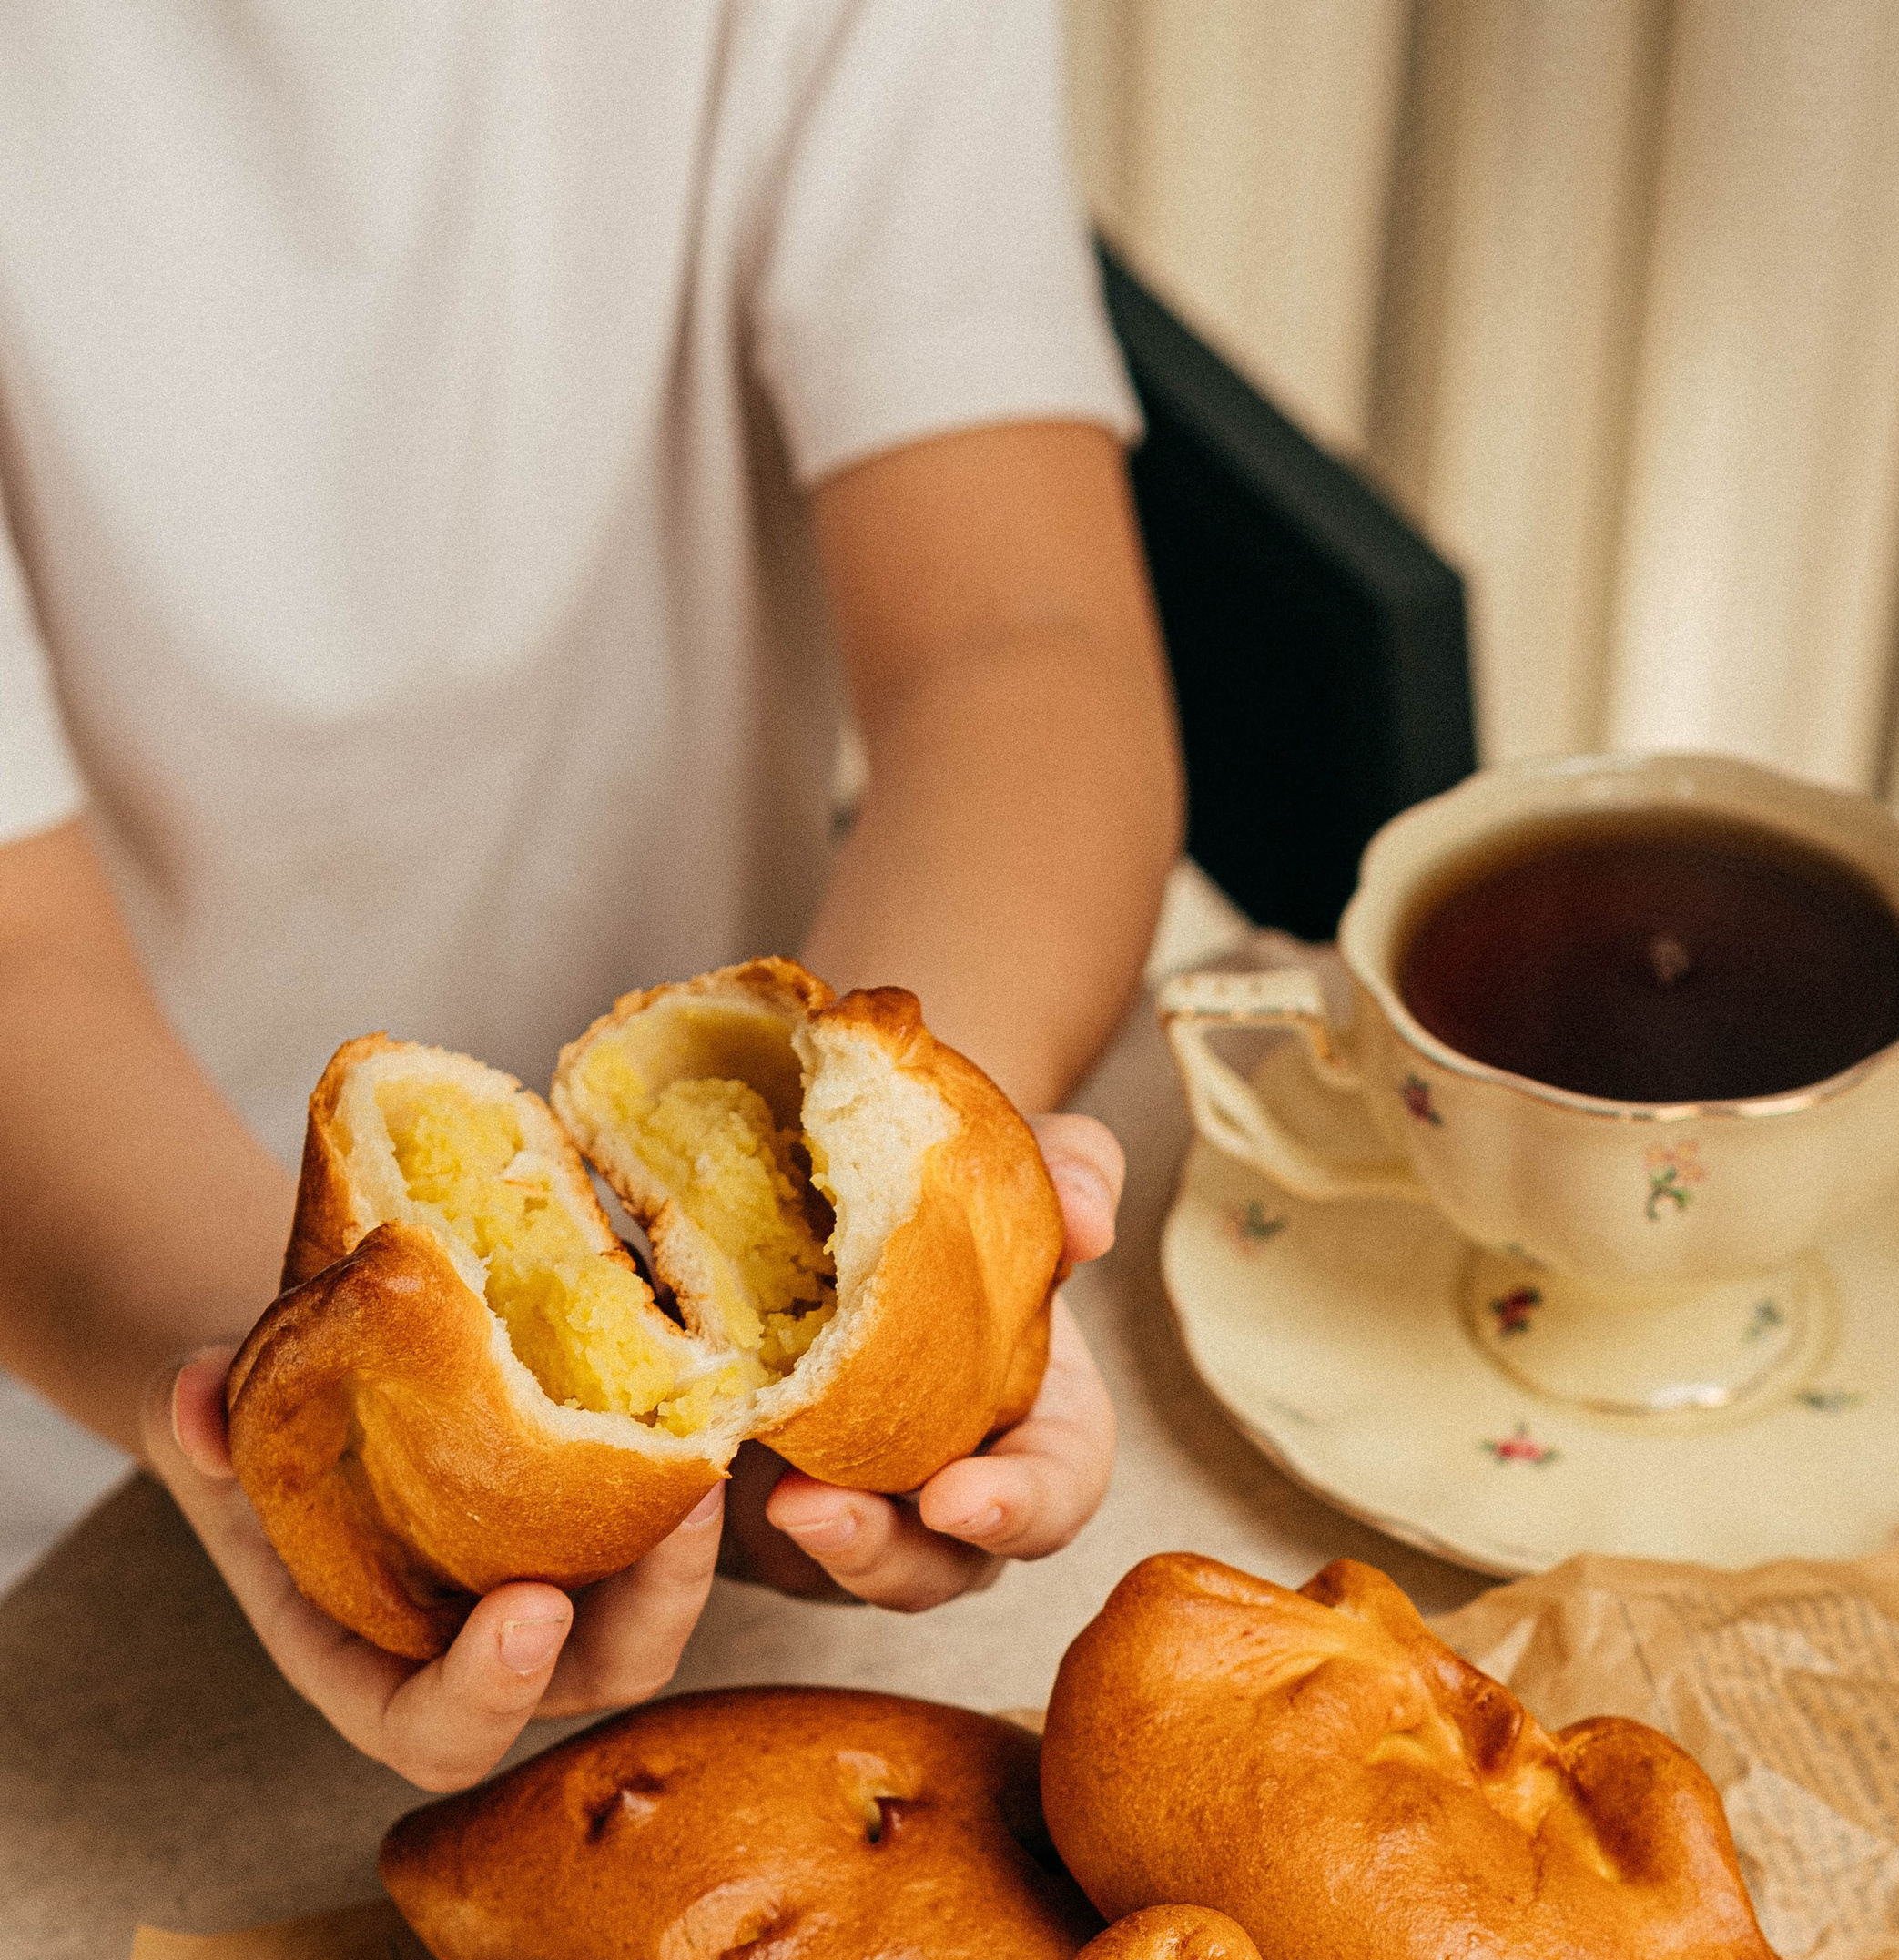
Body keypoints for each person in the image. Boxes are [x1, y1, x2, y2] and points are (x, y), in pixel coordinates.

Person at [0, 0, 1180, 1790]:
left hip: (738, 1485)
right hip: (81, 1420)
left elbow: (1018, 643)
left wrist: (939, 1224)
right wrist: (287, 1403)